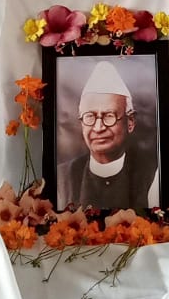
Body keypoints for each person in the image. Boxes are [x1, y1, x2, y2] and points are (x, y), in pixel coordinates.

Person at [56, 60, 157, 209]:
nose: (98, 128)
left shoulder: (153, 175)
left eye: (109, 115)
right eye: (89, 116)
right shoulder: (61, 178)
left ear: (130, 122)